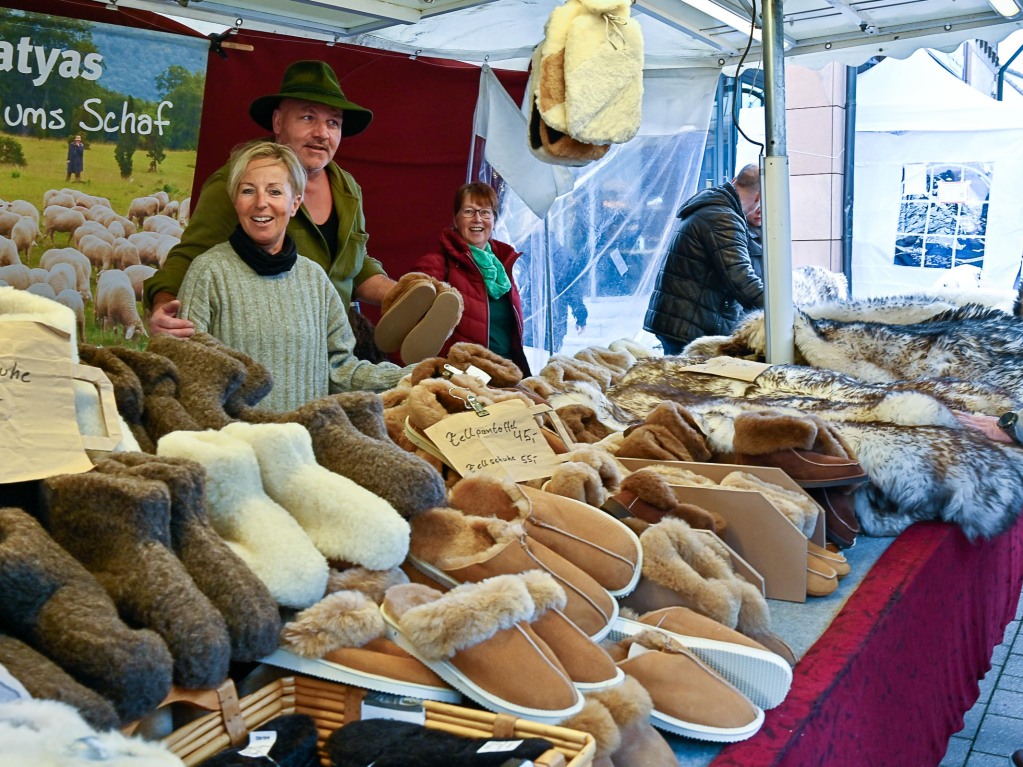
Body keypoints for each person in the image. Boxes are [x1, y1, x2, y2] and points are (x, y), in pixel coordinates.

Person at [144, 60, 397, 338]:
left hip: (337, 346)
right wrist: (163, 307)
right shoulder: (238, 183)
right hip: (261, 344)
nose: (322, 133)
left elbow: (354, 265)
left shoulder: (347, 187)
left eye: (333, 122)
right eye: (307, 117)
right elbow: (190, 256)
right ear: (278, 122)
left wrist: (399, 293)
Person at [177, 140, 411, 412]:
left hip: (304, 445)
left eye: (275, 192)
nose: (261, 203)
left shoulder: (315, 280)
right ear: (234, 201)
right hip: (236, 447)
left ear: (295, 203)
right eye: (248, 191)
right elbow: (188, 374)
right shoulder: (208, 273)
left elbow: (341, 371)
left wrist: (414, 375)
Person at [643, 163, 764, 355]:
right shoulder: (722, 217)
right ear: (759, 197)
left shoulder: (713, 207)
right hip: (689, 326)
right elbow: (741, 279)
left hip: (681, 319)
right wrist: (784, 312)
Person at [413, 182, 531, 375]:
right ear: (455, 218)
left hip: (506, 371)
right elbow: (417, 335)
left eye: (485, 212)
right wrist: (456, 375)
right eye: (469, 211)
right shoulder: (434, 265)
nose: (478, 219)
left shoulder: (503, 266)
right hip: (465, 376)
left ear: (494, 220)